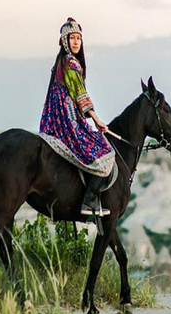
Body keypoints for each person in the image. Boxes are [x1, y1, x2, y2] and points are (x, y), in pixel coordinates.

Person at [39, 17, 115, 216]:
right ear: (65, 41)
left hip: (54, 118)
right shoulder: (71, 63)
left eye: (78, 39)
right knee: (103, 152)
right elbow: (80, 93)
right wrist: (96, 119)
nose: (75, 42)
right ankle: (89, 200)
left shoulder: (61, 63)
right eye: (71, 38)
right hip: (67, 119)